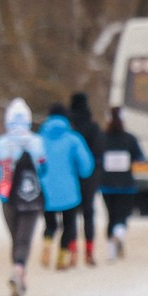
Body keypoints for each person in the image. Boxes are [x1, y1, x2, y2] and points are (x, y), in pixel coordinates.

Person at [0, 100, 46, 296]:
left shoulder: (0, 144)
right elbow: (44, 170)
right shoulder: (37, 142)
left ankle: (18, 271)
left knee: (16, 238)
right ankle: (20, 270)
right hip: (32, 197)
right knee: (24, 239)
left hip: (7, 197)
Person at [35, 104, 99, 269]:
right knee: (69, 224)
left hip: (46, 190)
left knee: (50, 224)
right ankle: (62, 257)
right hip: (69, 190)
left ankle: (47, 242)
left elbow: (34, 164)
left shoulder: (39, 139)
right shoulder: (73, 139)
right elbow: (86, 166)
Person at [95, 107, 144, 261]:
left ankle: (111, 250)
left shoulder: (101, 138)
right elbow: (140, 157)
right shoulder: (129, 139)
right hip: (126, 185)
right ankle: (119, 233)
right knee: (122, 216)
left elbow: (95, 158)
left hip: (107, 185)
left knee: (111, 216)